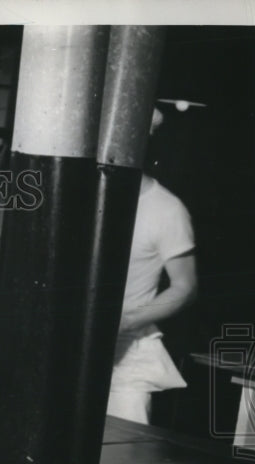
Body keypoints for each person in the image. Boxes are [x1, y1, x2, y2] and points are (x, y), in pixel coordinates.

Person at [106, 110, 198, 424]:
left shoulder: (167, 209)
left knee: (115, 463)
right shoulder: (81, 198)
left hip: (127, 360)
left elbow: (184, 287)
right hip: (64, 351)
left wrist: (127, 320)